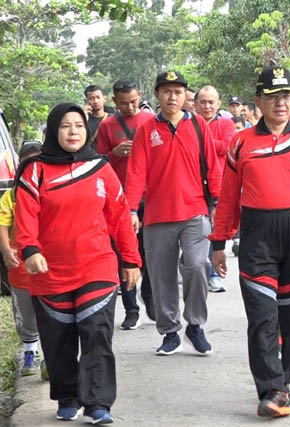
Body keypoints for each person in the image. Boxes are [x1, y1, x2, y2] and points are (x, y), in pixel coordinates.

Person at [210, 66, 290, 418]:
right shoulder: (241, 143)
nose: (281, 103)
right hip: (257, 237)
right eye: (272, 96)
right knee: (263, 316)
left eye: (286, 96)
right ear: (258, 102)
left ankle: (285, 380)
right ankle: (272, 389)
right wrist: (219, 242)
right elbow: (229, 195)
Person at [15, 103, 141, 424]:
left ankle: (98, 402)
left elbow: (119, 217)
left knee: (97, 335)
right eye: (66, 126)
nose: (73, 131)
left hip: (96, 266)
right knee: (59, 341)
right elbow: (25, 215)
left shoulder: (100, 167)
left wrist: (130, 259)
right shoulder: (35, 171)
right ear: (53, 130)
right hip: (49, 272)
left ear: (87, 131)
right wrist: (30, 250)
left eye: (79, 126)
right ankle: (68, 395)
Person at [126, 70, 221, 356]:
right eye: (166, 91)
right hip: (157, 215)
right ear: (157, 95)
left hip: (195, 211)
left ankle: (196, 325)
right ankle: (169, 331)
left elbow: (213, 168)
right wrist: (131, 208)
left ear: (185, 96)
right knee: (161, 275)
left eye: (178, 91)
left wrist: (216, 205)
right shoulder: (146, 131)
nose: (172, 96)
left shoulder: (199, 127)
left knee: (196, 266)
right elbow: (136, 172)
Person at [96, 78, 156, 329]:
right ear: (114, 102)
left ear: (140, 95)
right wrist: (114, 153)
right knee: (124, 255)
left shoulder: (151, 122)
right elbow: (97, 162)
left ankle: (151, 298)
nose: (130, 107)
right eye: (123, 104)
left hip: (150, 197)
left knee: (149, 253)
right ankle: (131, 309)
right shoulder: (107, 126)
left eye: (133, 102)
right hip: (119, 200)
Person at [0, 142, 42, 377]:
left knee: (50, 309)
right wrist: (6, 251)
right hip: (19, 260)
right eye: (27, 163)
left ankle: (50, 356)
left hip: (48, 259)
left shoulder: (50, 189)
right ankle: (29, 350)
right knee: (25, 308)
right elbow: (3, 225)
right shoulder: (11, 196)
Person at [195, 85, 237, 293]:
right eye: (202, 102)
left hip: (219, 183)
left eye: (211, 102)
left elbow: (228, 146)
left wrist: (202, 141)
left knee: (214, 227)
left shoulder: (226, 124)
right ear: (195, 105)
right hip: (194, 184)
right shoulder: (190, 123)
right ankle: (194, 270)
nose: (207, 106)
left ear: (219, 104)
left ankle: (213, 275)